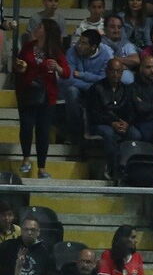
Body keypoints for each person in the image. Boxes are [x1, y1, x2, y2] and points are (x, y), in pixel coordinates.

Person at [14, 19, 69, 178]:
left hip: (47, 95)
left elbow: (66, 72)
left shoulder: (55, 51)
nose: (36, 28)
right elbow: (18, 64)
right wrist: (19, 66)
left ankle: (42, 167)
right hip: (27, 92)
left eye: (40, 27)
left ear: (46, 31)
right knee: (26, 126)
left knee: (43, 131)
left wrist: (56, 67)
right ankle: (25, 159)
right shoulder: (28, 47)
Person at [89, 59, 141, 179]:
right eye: (112, 71)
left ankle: (129, 167)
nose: (115, 74)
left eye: (118, 71)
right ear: (107, 71)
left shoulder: (127, 90)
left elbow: (132, 111)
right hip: (101, 123)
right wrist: (111, 123)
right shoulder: (96, 88)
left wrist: (127, 123)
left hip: (122, 124)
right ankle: (113, 167)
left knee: (136, 134)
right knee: (109, 133)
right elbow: (93, 113)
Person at [61, 29, 113, 146]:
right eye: (79, 41)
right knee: (71, 91)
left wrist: (84, 75)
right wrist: (89, 84)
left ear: (93, 47)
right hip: (78, 88)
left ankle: (93, 133)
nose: (79, 45)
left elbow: (104, 79)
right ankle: (74, 133)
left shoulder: (105, 56)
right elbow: (69, 78)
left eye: (84, 43)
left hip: (96, 91)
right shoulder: (72, 51)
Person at [100, 15, 140, 85]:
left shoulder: (126, 43)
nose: (116, 30)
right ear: (105, 29)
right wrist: (124, 64)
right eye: (112, 27)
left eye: (119, 27)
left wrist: (114, 59)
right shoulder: (100, 43)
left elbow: (136, 60)